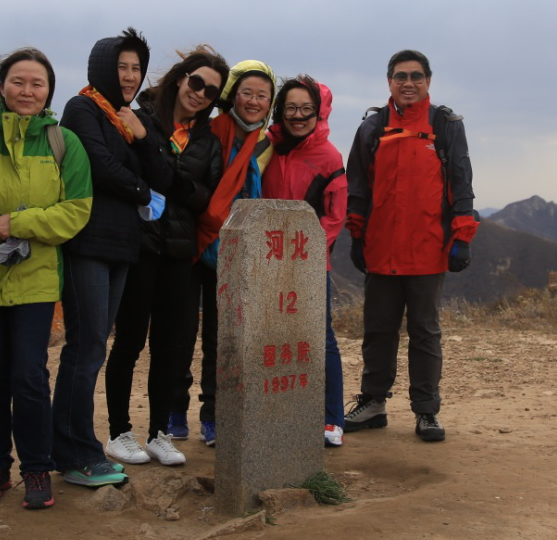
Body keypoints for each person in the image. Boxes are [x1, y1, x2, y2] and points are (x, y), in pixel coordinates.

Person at [0, 48, 93, 510]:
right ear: (1, 86)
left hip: (36, 280)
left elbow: (76, 211)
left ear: (49, 91)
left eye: (38, 83)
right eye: (18, 81)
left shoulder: (64, 143)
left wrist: (18, 222)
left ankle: (36, 467)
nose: (27, 91)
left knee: (29, 376)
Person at [342, 49, 478, 442]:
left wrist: (462, 236)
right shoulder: (372, 128)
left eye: (416, 76)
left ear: (428, 81)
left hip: (428, 249)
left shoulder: (445, 125)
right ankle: (373, 403)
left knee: (424, 332)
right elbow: (357, 188)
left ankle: (426, 411)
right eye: (400, 76)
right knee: (378, 329)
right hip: (381, 248)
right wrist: (357, 235)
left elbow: (461, 183)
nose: (408, 83)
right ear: (389, 81)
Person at [52, 30, 167, 479]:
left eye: (137, 68)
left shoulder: (129, 118)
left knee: (94, 347)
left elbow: (162, 174)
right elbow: (100, 166)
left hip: (122, 246)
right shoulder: (81, 108)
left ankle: (73, 447)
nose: (130, 76)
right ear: (102, 68)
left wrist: (143, 137)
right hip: (88, 242)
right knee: (85, 347)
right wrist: (142, 192)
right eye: (121, 66)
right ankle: (76, 452)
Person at [104, 46, 225, 467]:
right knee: (130, 342)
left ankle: (159, 433)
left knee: (170, 347)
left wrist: (170, 179)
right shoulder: (139, 118)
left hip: (179, 254)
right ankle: (119, 432)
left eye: (211, 91)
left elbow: (207, 198)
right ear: (180, 78)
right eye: (197, 82)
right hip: (137, 247)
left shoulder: (207, 140)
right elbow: (127, 174)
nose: (200, 93)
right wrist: (181, 184)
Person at [177, 60, 276, 447]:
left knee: (222, 338)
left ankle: (213, 415)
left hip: (235, 250)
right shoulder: (211, 130)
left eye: (262, 95)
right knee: (181, 331)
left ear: (270, 103)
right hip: (196, 241)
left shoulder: (264, 141)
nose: (253, 101)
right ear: (232, 96)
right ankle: (173, 409)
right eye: (246, 93)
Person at [261, 75, 348, 447]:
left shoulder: (329, 156)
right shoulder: (267, 147)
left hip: (309, 264)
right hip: (265, 261)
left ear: (319, 112)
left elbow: (335, 215)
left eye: (306, 109)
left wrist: (304, 253)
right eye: (291, 108)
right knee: (270, 338)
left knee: (319, 338)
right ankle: (276, 412)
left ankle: (331, 419)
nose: (298, 116)